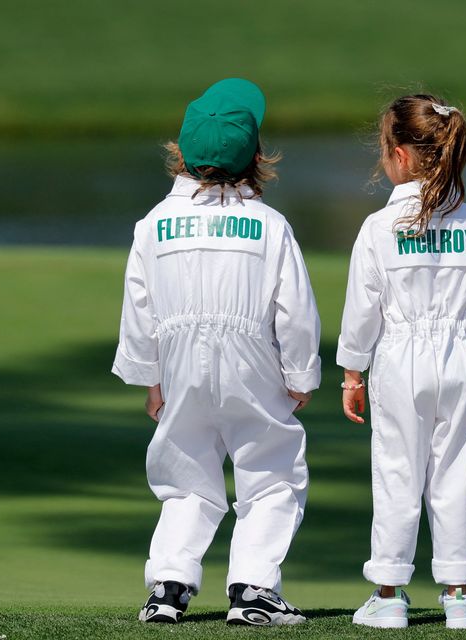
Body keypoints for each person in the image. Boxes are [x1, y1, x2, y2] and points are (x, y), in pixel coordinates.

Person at [112, 78, 321, 626]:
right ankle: (253, 589)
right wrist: (300, 374)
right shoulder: (270, 225)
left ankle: (169, 587)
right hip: (252, 356)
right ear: (257, 157)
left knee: (185, 469)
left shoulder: (154, 225)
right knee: (272, 468)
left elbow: (140, 307)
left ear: (180, 151)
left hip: (179, 358)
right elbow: (295, 310)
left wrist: (150, 376)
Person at [337, 94, 466, 630]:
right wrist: (463, 301)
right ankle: (460, 595)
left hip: (399, 358)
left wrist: (352, 373)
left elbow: (360, 311)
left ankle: (390, 594)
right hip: (461, 356)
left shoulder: (377, 227)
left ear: (397, 154)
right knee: (452, 472)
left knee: (397, 470)